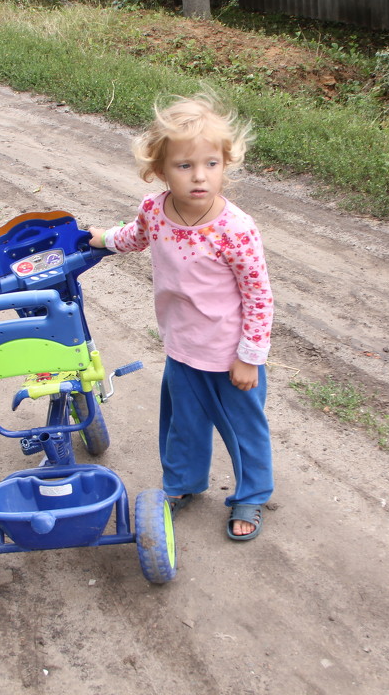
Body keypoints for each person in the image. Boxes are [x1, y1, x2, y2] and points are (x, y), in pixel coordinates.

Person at [89, 94, 274, 541]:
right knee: (182, 426)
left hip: (230, 355)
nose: (199, 176)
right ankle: (184, 484)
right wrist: (102, 239)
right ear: (159, 170)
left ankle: (251, 492)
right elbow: (135, 236)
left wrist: (250, 355)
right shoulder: (155, 210)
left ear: (225, 164)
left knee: (242, 429)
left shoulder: (236, 229)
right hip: (181, 347)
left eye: (211, 164)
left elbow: (259, 295)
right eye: (184, 166)